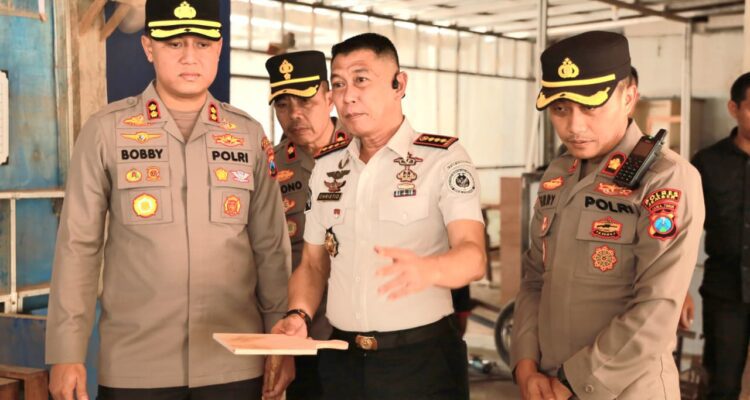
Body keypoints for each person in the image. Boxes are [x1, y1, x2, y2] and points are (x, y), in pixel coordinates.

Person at [45, 1, 292, 399]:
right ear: (149, 48)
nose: (189, 57)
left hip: (234, 361)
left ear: (218, 48)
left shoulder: (247, 135)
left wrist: (280, 342)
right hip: (137, 365)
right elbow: (78, 246)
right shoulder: (106, 132)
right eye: (174, 44)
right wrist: (66, 352)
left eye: (202, 44)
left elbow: (270, 247)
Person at [265, 33, 486, 400]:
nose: (348, 96)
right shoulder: (327, 167)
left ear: (399, 84)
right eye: (339, 84)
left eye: (361, 80)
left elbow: (473, 255)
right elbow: (314, 264)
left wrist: (429, 270)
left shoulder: (442, 159)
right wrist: (299, 315)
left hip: (421, 359)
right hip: (342, 361)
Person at [511, 31, 705, 400]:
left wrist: (571, 382)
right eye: (560, 109)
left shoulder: (665, 178)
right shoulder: (558, 173)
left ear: (629, 97)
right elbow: (534, 278)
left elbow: (657, 307)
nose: (574, 126)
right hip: (546, 383)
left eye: (591, 107)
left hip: (625, 389)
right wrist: (525, 363)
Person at [264, 50, 349, 400]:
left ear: (329, 98)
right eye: (283, 105)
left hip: (363, 325)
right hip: (305, 329)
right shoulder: (270, 167)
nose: (294, 114)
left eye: (306, 101)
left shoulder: (365, 150)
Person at [691, 71, 750, 399]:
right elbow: (681, 232)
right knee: (722, 386)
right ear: (734, 108)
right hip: (725, 293)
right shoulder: (706, 163)